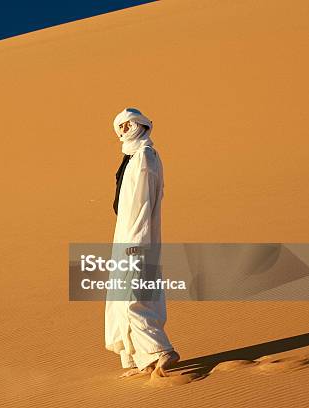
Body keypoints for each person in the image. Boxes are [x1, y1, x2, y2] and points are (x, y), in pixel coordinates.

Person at [105, 107, 179, 378]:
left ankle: (160, 350)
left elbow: (143, 204)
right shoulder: (133, 156)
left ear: (143, 125)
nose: (125, 130)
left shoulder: (145, 157)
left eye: (129, 124)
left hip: (137, 237)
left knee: (132, 297)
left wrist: (136, 241)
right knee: (123, 297)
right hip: (125, 235)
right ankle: (140, 360)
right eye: (120, 127)